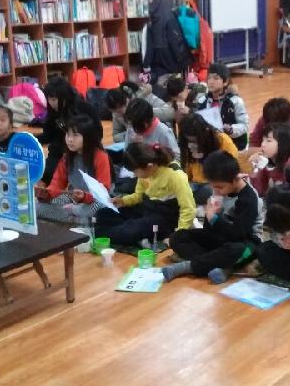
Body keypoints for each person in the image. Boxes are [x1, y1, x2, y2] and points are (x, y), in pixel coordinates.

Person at [164, 151, 264, 284]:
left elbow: (238, 234)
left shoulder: (248, 199)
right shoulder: (219, 189)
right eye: (212, 186)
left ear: (236, 179)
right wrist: (209, 216)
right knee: (177, 237)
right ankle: (222, 266)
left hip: (246, 240)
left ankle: (189, 266)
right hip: (222, 239)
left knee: (237, 250)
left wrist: (214, 218)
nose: (215, 191)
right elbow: (208, 230)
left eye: (219, 187)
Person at [95, 143, 195, 247]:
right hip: (148, 208)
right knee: (103, 214)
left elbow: (188, 208)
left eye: (135, 171)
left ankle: (105, 232)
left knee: (129, 231)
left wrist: (177, 235)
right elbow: (138, 196)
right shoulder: (146, 172)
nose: (134, 175)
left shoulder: (175, 175)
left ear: (149, 166)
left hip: (166, 218)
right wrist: (123, 201)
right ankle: (136, 236)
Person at [35, 114, 112, 224]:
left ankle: (73, 216)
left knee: (97, 208)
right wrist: (46, 194)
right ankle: (78, 220)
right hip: (73, 199)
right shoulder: (67, 157)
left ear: (87, 137)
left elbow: (103, 191)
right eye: (68, 134)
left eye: (75, 135)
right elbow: (57, 184)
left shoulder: (100, 156)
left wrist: (84, 197)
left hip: (95, 200)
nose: (70, 139)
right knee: (37, 207)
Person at [36, 76, 102, 187]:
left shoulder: (83, 108)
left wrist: (79, 145)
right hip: (60, 150)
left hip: (84, 150)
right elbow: (48, 135)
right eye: (49, 99)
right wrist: (31, 139)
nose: (51, 103)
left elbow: (98, 133)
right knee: (44, 174)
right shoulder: (53, 112)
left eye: (54, 99)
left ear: (64, 97)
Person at [178, 113, 239, 206]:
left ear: (205, 132)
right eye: (189, 141)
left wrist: (204, 160)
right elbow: (186, 170)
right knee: (178, 192)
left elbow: (231, 168)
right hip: (194, 183)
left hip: (215, 182)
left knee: (207, 192)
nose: (192, 143)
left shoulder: (222, 140)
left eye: (194, 140)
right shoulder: (187, 144)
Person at [196, 63, 249, 151]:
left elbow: (244, 126)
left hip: (233, 146)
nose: (211, 81)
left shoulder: (235, 101)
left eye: (216, 78)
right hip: (211, 145)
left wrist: (231, 129)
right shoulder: (202, 101)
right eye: (209, 78)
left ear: (225, 82)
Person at [142, 0, 194, 83]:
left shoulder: (150, 25)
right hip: (172, 65)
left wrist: (146, 66)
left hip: (157, 69)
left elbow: (148, 48)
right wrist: (185, 61)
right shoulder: (171, 20)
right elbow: (176, 43)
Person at [106, 81, 173, 144]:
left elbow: (171, 112)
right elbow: (116, 136)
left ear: (127, 99)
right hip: (138, 144)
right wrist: (129, 135)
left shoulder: (146, 97)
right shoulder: (116, 112)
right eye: (116, 111)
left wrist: (143, 112)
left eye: (122, 107)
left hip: (160, 139)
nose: (123, 112)